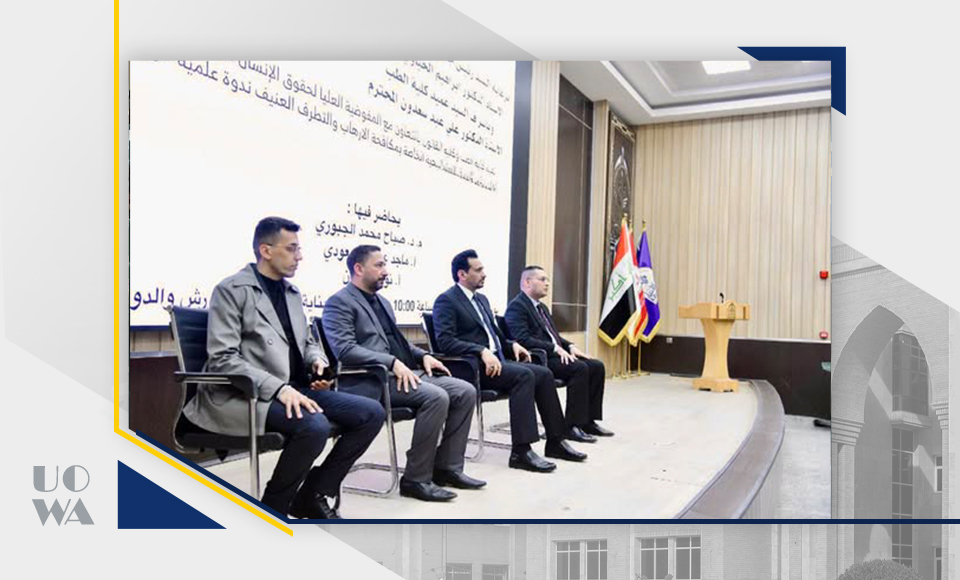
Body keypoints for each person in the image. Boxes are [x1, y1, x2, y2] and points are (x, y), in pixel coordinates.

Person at [182, 217, 386, 519]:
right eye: (291, 249)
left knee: (372, 413)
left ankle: (312, 494)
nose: (299, 256)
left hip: (295, 389)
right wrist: (278, 388)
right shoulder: (232, 290)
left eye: (298, 249)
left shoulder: (292, 293)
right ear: (266, 250)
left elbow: (307, 342)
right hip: (247, 395)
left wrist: (317, 361)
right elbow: (223, 358)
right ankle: (273, 509)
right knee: (314, 426)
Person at [323, 245, 483, 502]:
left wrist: (423, 355)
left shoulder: (384, 302)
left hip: (402, 374)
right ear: (358, 269)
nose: (386, 271)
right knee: (436, 397)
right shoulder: (339, 302)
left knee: (465, 391)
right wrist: (391, 362)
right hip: (371, 379)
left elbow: (398, 343)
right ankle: (416, 479)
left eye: (385, 264)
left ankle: (447, 468)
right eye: (379, 265)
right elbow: (345, 350)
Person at [432, 249, 587, 473]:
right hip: (473, 367)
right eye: (478, 270)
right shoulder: (446, 301)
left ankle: (556, 441)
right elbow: (445, 342)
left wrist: (511, 344)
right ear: (462, 274)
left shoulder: (481, 300)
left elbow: (493, 334)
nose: (484, 274)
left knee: (543, 373)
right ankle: (521, 452)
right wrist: (480, 351)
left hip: (498, 361)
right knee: (524, 376)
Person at [505, 266, 613, 439]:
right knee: (578, 368)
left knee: (596, 366)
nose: (547, 283)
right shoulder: (517, 307)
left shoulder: (542, 308)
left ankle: (588, 421)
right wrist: (555, 348)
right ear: (527, 282)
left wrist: (570, 346)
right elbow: (522, 339)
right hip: (538, 358)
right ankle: (572, 425)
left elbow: (553, 336)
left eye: (547, 279)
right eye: (542, 279)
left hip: (554, 355)